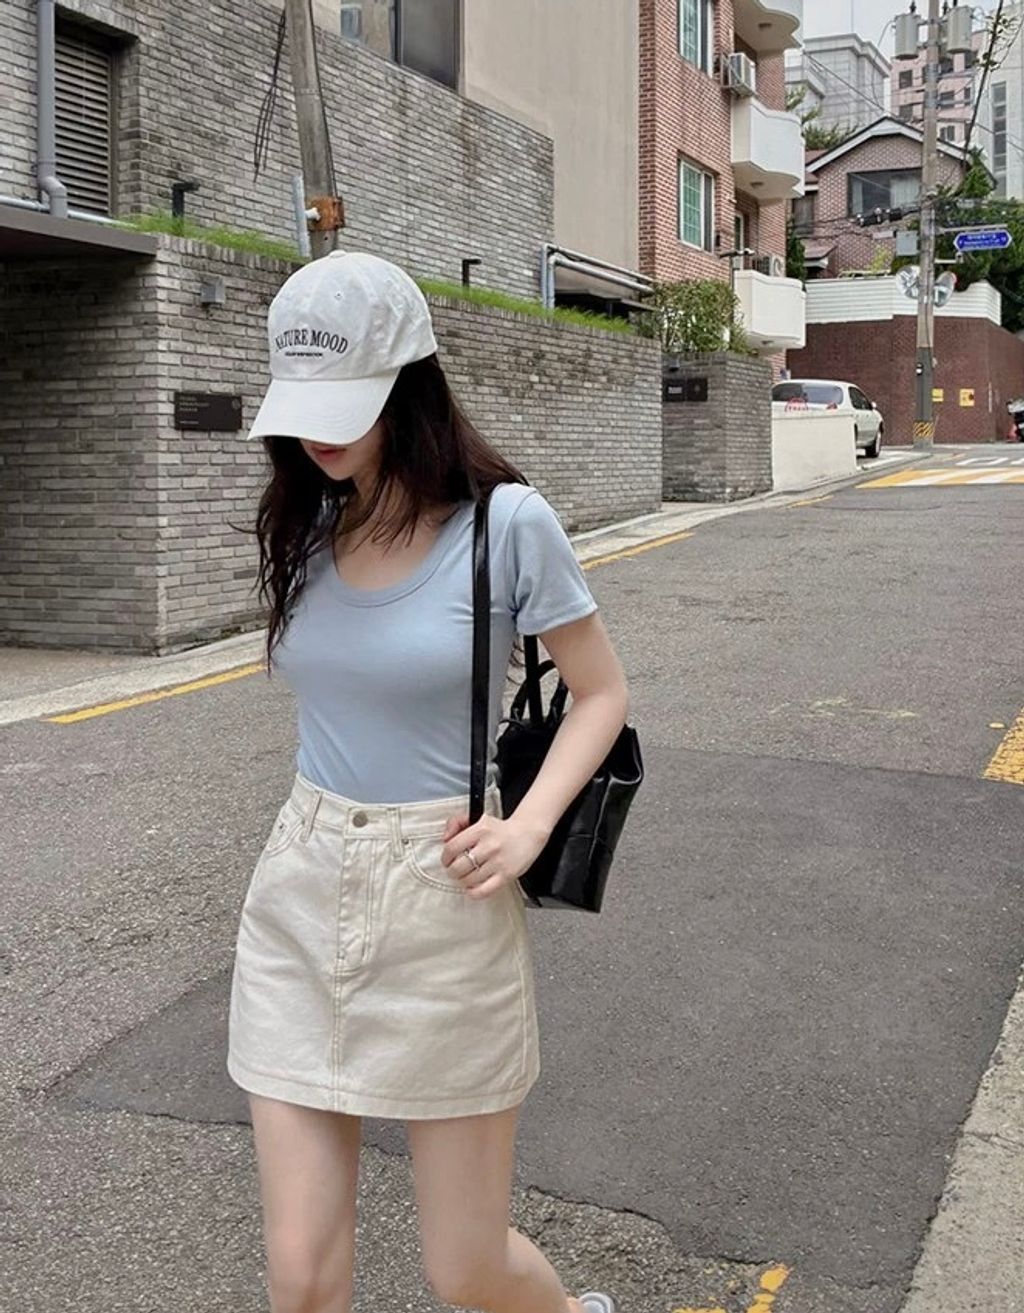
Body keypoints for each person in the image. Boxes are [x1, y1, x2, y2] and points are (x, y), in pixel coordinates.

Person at [227, 250, 630, 1313]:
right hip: (302, 887)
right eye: (302, 406)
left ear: (408, 385)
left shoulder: (507, 524)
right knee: (300, 1276)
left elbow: (600, 693)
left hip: (443, 897)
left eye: (344, 404)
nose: (315, 435)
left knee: (466, 1267)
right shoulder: (313, 524)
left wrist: (527, 826)